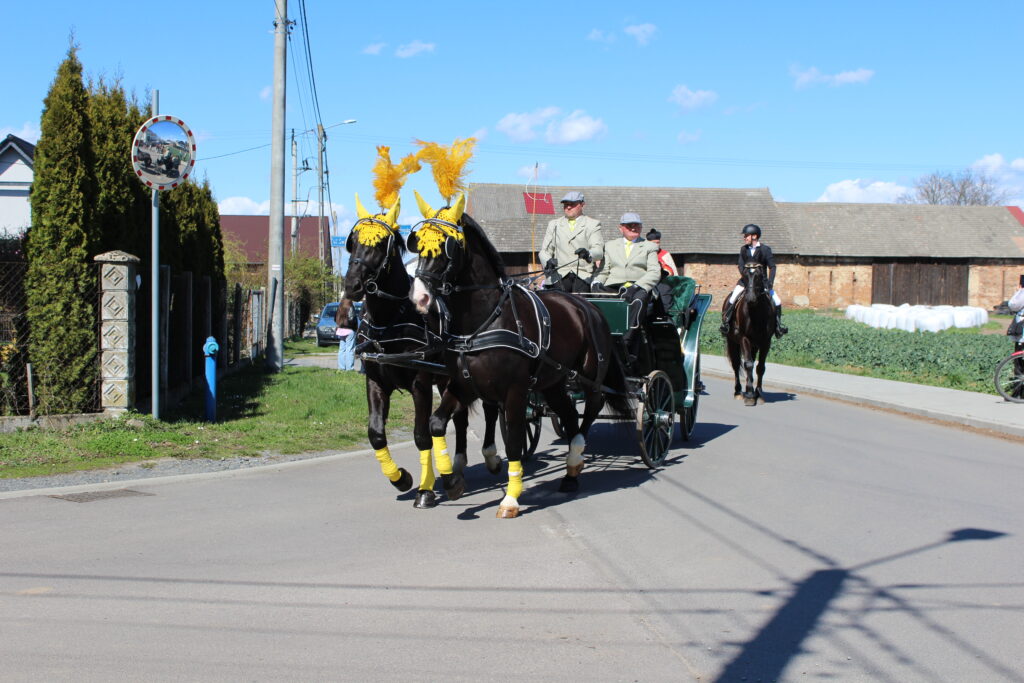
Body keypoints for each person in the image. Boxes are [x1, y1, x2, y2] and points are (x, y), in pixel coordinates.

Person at [592, 212, 662, 357]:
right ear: (621, 228)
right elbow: (604, 271)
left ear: (641, 227)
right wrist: (597, 282)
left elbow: (655, 272)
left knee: (639, 299)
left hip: (639, 286)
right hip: (614, 285)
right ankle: (597, 337)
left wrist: (638, 286)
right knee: (595, 298)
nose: (633, 228)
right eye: (629, 225)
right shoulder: (610, 246)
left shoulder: (649, 246)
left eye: (636, 225)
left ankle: (626, 339)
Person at [720, 223, 788, 337]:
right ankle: (726, 323)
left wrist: (770, 283)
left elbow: (772, 267)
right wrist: (747, 279)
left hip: (762, 284)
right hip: (745, 282)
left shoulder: (765, 250)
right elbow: (741, 266)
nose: (744, 238)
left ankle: (778, 327)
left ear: (754, 236)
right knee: (732, 298)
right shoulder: (743, 249)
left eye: (746, 235)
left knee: (777, 301)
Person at [538, 190, 604, 293]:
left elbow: (599, 251)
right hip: (559, 274)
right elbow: (544, 251)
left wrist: (588, 254)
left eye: (572, 204)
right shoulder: (554, 224)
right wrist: (547, 261)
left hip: (583, 275)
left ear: (582, 205)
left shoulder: (592, 224)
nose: (568, 207)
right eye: (565, 204)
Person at [335, 299, 359, 371]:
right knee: (350, 349)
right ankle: (349, 368)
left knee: (342, 350)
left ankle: (341, 368)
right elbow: (352, 319)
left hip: (341, 330)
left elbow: (335, 318)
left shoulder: (340, 307)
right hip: (349, 330)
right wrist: (355, 328)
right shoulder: (350, 307)